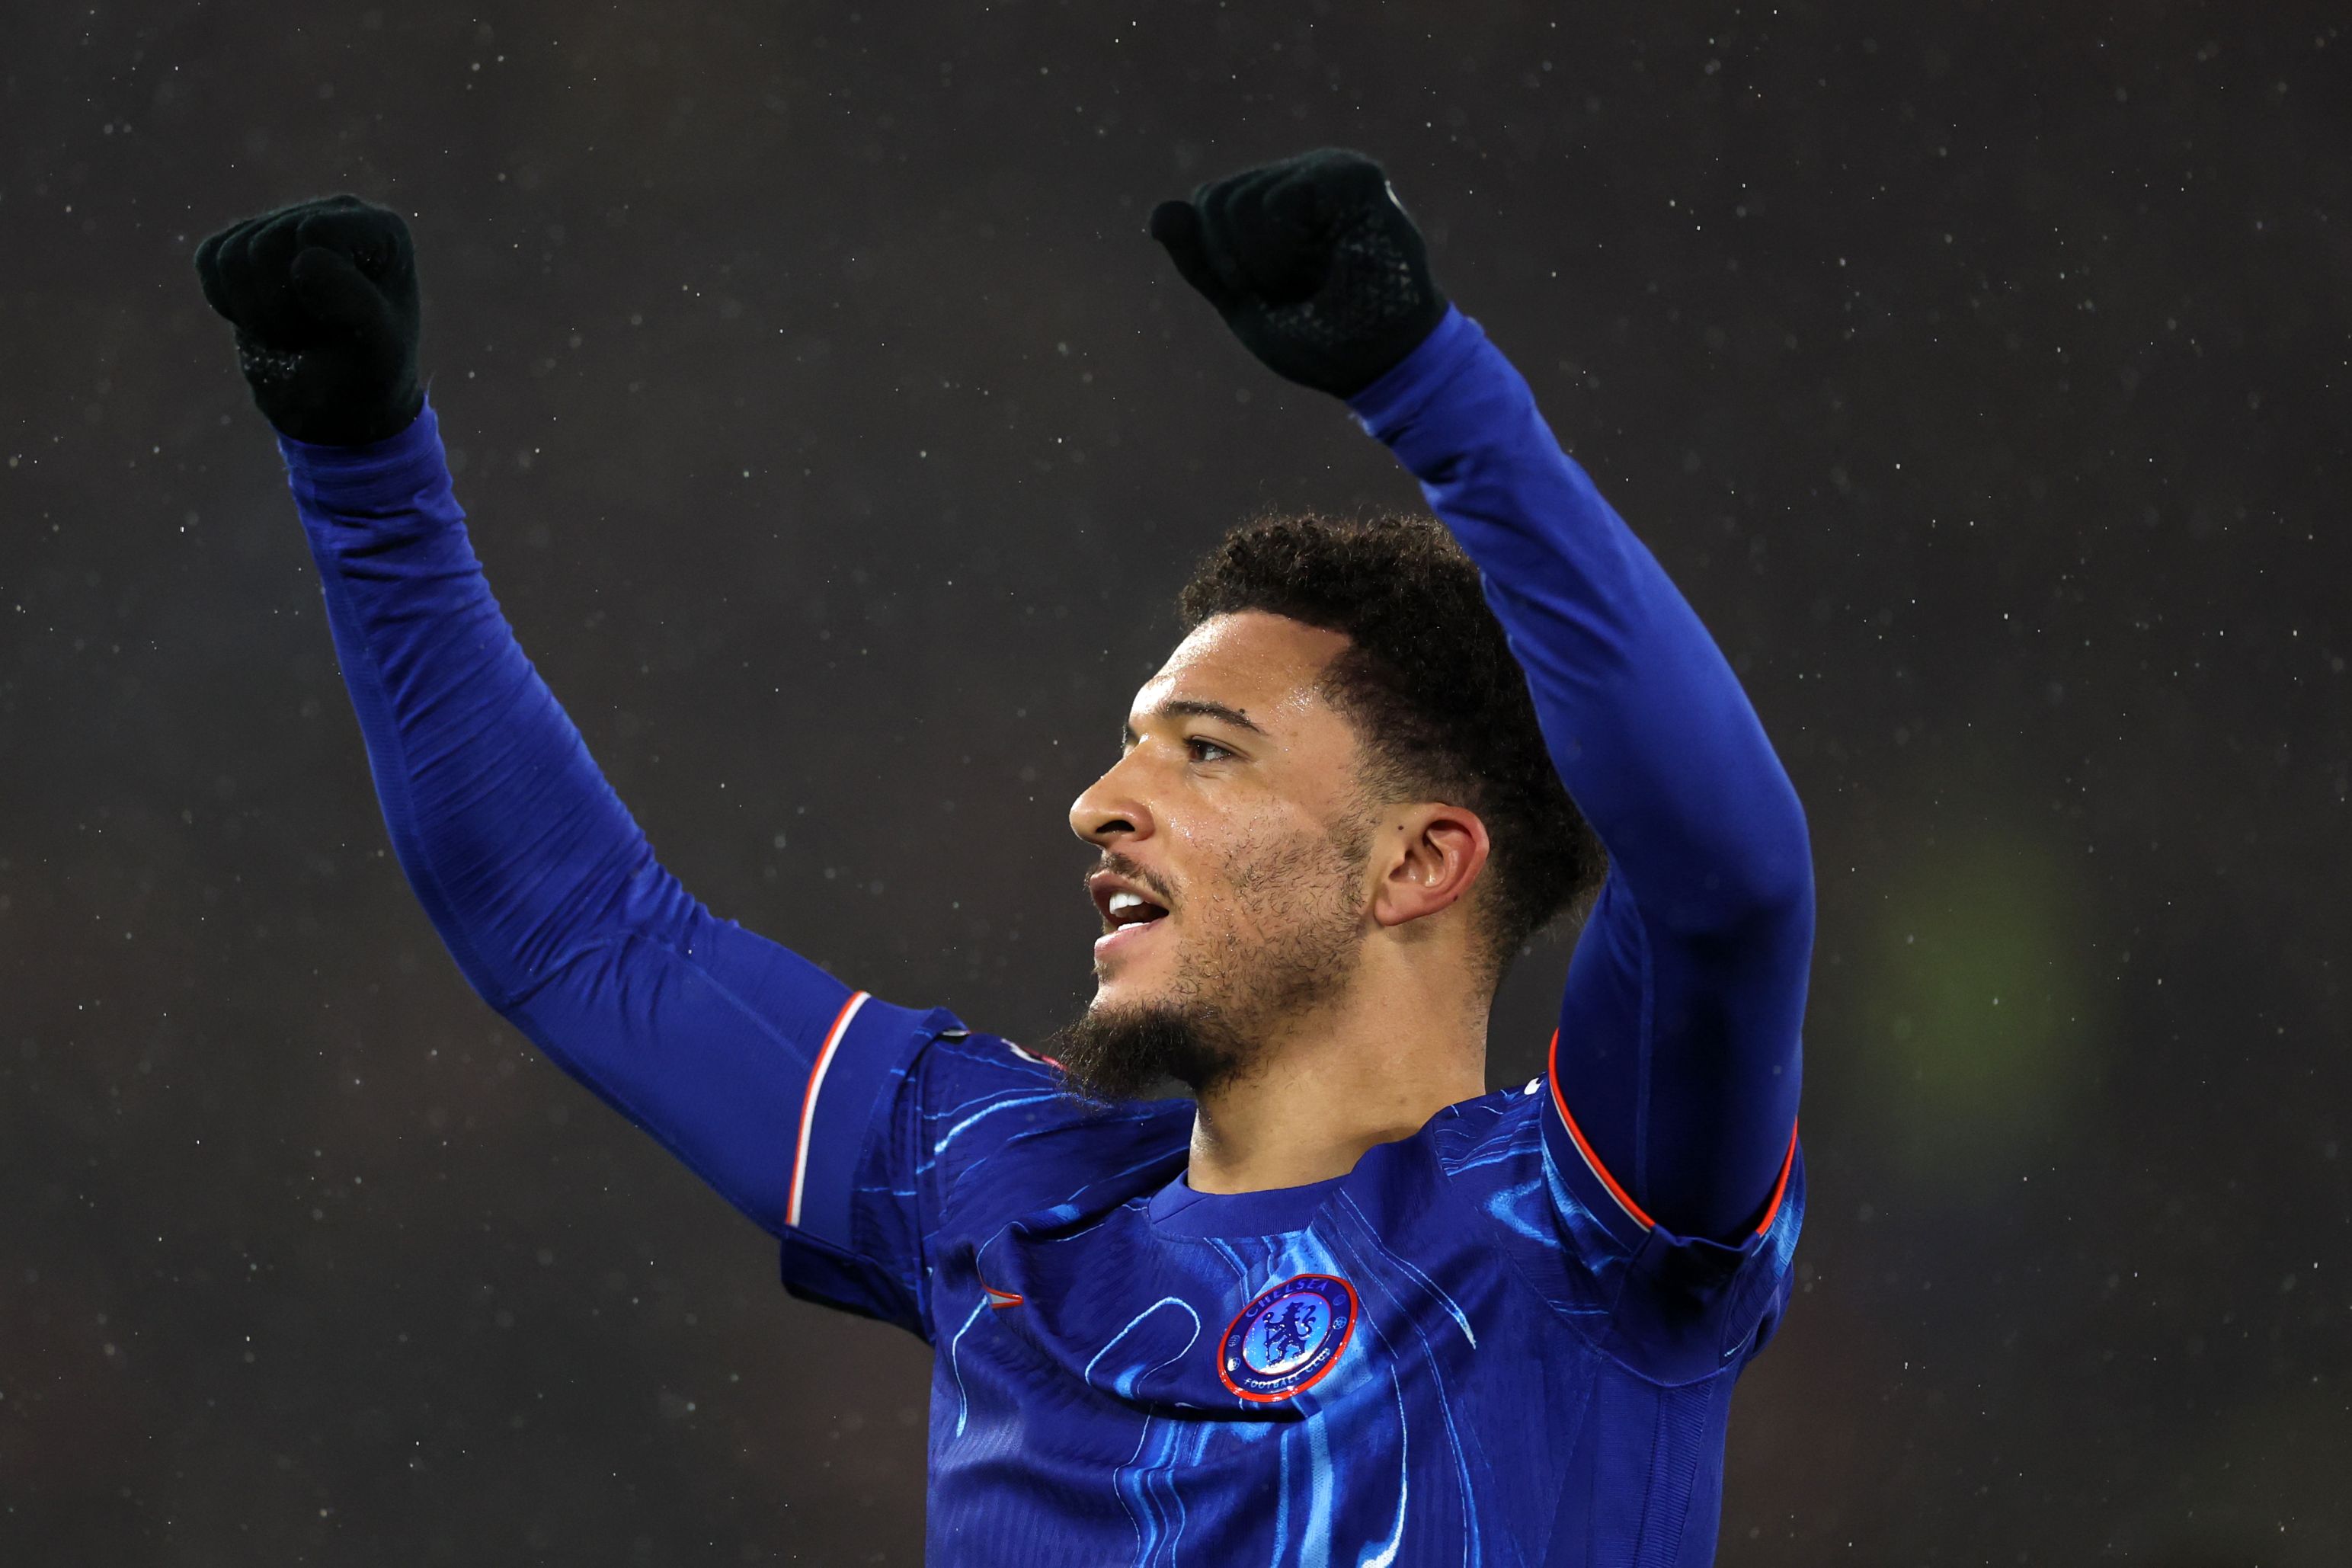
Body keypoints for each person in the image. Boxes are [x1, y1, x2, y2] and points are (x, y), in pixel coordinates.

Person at [194, 148, 1813, 1566]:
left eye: (1203, 750)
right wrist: (364, 475)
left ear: (1416, 865)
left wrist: (1435, 394)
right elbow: (573, 931)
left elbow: (1724, 877)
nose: (1097, 803)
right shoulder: (999, 1188)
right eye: (1127, 744)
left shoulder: (1580, 1225)